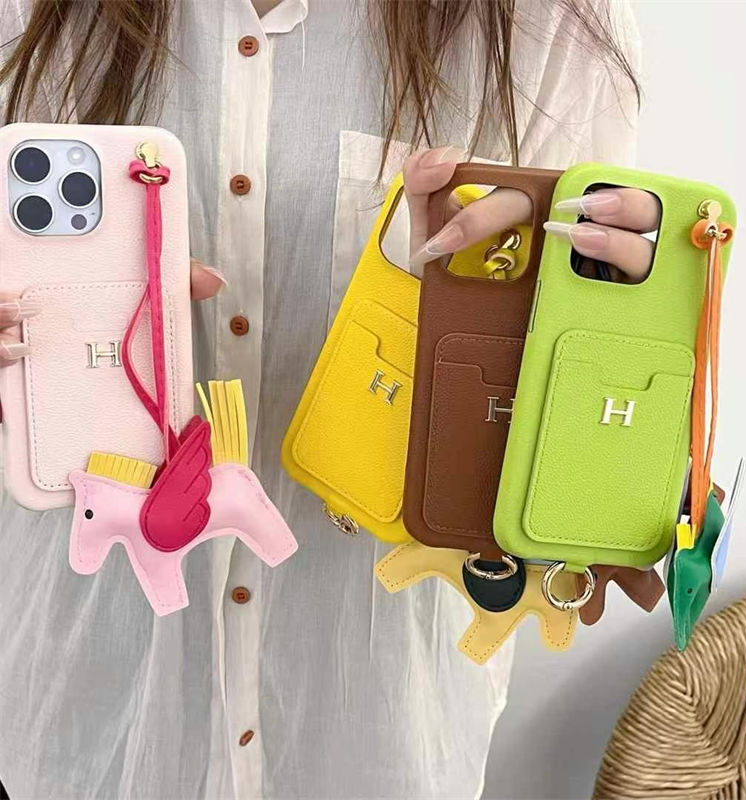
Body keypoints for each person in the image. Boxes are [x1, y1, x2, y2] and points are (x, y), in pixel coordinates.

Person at [0, 1, 657, 797]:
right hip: (82, 707)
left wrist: (616, 393)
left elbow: (581, 400)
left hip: (379, 723)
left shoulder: (543, 24)